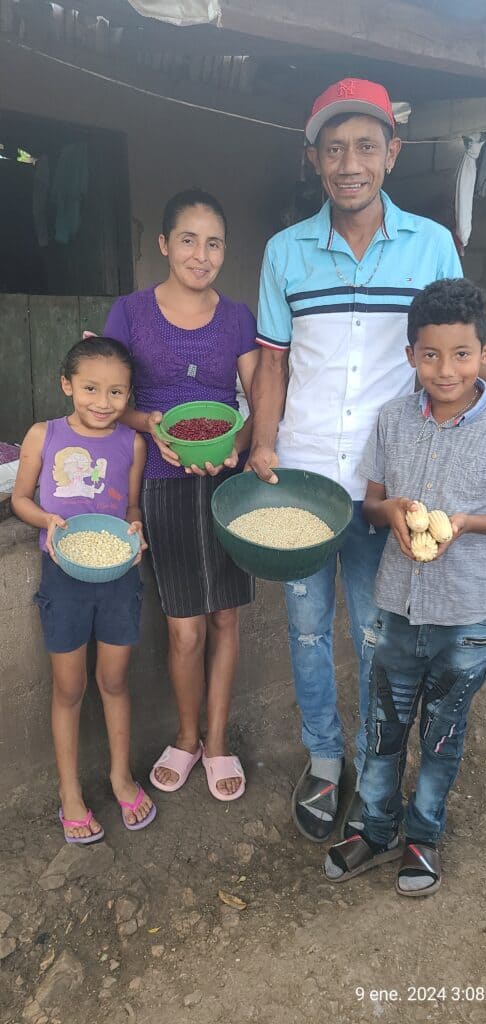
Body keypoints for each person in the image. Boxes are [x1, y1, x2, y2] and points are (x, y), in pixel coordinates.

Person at [247, 78, 486, 843]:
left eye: (367, 147)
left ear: (394, 153)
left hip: (391, 489)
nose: (352, 163)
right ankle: (324, 759)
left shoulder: (432, 245)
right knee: (308, 630)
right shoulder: (285, 254)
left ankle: (380, 771)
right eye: (336, 147)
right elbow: (272, 363)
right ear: (313, 157)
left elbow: (460, 342)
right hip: (303, 483)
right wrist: (264, 443)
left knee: (377, 636)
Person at [323, 278, 486, 894]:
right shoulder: (393, 421)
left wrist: (468, 523)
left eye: (462, 355)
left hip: (469, 615)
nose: (445, 370)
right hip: (398, 607)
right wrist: (390, 509)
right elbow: (368, 506)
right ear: (410, 356)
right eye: (430, 355)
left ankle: (422, 836)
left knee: (443, 730)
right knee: (383, 725)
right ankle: (375, 826)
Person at [103, 189, 259, 801]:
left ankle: (217, 739)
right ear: (164, 244)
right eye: (188, 240)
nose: (202, 254)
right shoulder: (130, 312)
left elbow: (257, 399)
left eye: (214, 242)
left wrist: (239, 443)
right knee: (184, 628)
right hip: (162, 484)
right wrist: (153, 427)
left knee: (226, 616)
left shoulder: (238, 316)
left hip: (228, 481)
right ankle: (187, 735)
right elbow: (112, 399)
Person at [11, 337, 155, 843]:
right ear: (67, 385)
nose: (102, 401)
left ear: (129, 394)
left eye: (117, 392)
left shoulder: (131, 443)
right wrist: (48, 520)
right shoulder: (42, 435)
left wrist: (136, 530)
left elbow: (131, 507)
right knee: (69, 687)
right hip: (63, 577)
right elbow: (21, 500)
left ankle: (120, 775)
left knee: (114, 681)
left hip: (117, 575)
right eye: (90, 388)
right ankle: (69, 792)